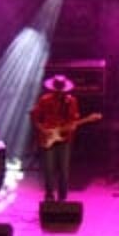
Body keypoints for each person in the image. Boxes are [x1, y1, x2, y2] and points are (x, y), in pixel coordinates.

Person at [31, 74, 83, 203]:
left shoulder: (71, 101)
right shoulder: (44, 100)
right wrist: (43, 130)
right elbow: (35, 117)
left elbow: (74, 120)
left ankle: (62, 197)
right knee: (49, 169)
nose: (59, 93)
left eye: (61, 90)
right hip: (49, 138)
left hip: (65, 139)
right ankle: (49, 195)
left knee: (64, 170)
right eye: (57, 90)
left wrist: (72, 126)